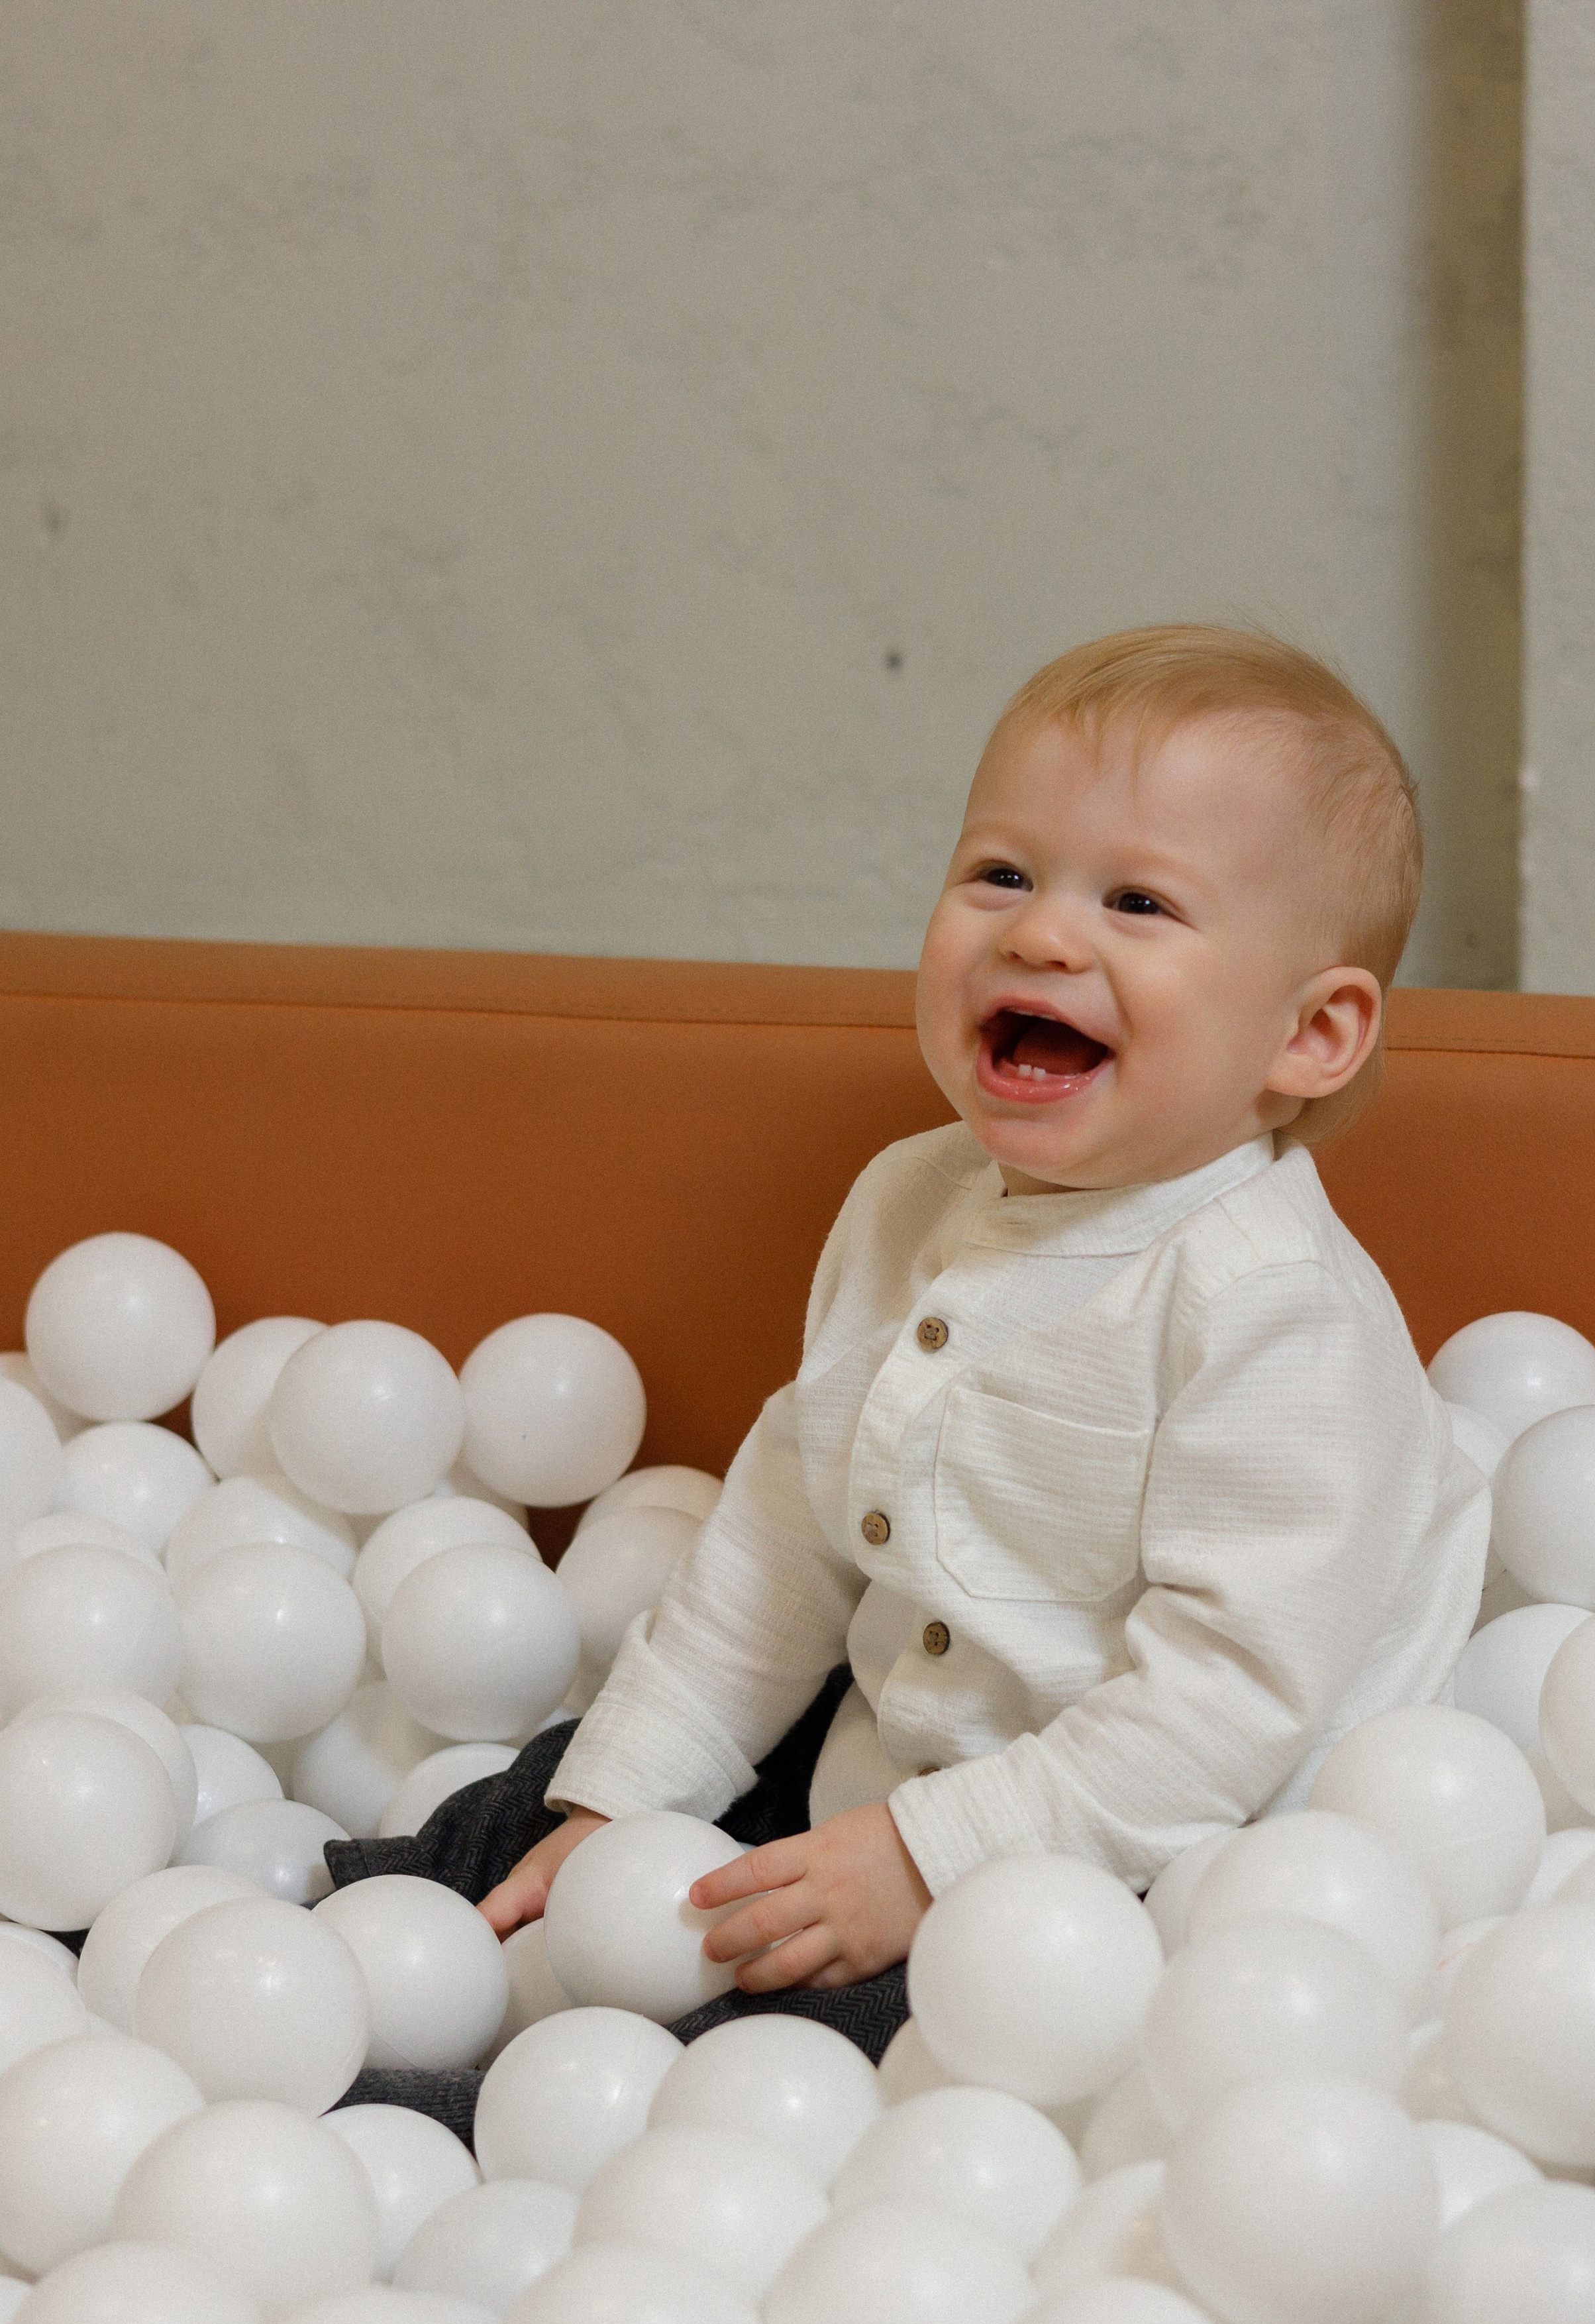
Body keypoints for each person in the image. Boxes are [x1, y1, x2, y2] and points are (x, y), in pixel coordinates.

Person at [466, 625, 1491, 2009]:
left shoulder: (1269, 1311)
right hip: (904, 1761)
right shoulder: (906, 1200)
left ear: (1306, 1036)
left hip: (1151, 1861)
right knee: (520, 1814)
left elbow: (1227, 1701)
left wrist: (927, 1862)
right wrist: (624, 1802)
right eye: (1000, 873)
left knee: (853, 2039)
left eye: (1137, 903)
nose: (1042, 930)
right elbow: (786, 1533)